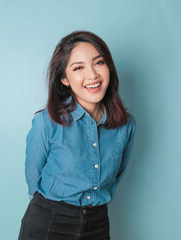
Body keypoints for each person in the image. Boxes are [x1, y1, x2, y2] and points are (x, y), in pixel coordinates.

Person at [18, 30, 136, 240]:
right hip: (49, 222)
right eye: (79, 68)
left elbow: (116, 177)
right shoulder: (46, 122)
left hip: (97, 224)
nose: (92, 75)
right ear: (65, 79)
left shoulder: (126, 126)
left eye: (98, 63)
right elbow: (33, 180)